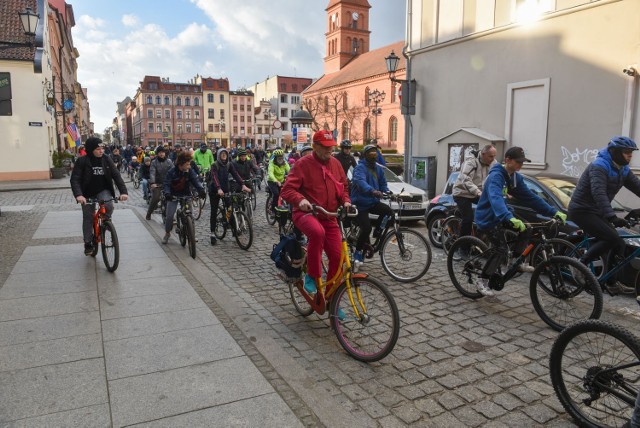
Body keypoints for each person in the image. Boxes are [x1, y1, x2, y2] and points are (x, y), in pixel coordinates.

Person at [473, 146, 567, 296]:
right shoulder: (496, 177)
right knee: (501, 249)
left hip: (503, 214)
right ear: (507, 160)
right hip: (488, 217)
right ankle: (482, 280)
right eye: (518, 162)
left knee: (527, 228)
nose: (521, 165)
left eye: (522, 162)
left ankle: (516, 262)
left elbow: (530, 198)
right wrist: (508, 217)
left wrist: (553, 211)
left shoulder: (515, 178)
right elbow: (496, 199)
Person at [281, 130, 351, 295]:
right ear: (315, 146)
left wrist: (346, 201)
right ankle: (312, 275)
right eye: (325, 147)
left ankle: (331, 299)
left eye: (331, 146)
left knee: (337, 256)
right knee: (317, 232)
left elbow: (344, 187)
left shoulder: (335, 164)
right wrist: (301, 200)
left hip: (329, 216)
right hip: (306, 214)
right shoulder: (303, 164)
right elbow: (287, 189)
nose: (329, 150)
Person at [568, 136, 640, 295]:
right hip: (582, 210)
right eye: (627, 152)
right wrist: (611, 216)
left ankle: (611, 282)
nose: (630, 155)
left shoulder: (623, 169)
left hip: (597, 211)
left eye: (631, 153)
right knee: (611, 238)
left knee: (619, 244)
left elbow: (638, 187)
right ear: (615, 152)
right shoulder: (599, 166)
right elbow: (598, 193)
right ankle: (579, 264)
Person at [70, 137, 128, 255]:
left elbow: (116, 175)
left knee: (109, 205)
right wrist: (79, 195)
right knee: (88, 217)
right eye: (98, 149)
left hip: (103, 189)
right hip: (87, 193)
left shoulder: (107, 159)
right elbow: (75, 179)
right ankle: (88, 243)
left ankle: (106, 222)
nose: (101, 151)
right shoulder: (82, 161)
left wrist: (123, 192)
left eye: (102, 148)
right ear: (91, 150)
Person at [350, 145, 393, 270]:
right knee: (366, 228)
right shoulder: (360, 168)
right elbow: (360, 181)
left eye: (375, 154)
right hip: (360, 203)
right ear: (365, 155)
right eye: (371, 154)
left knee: (388, 212)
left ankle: (378, 231)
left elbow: (383, 182)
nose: (373, 156)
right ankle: (358, 253)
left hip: (372, 202)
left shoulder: (378, 169)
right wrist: (372, 191)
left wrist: (387, 191)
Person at [452, 144, 498, 246]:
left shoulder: (493, 163)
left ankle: (483, 234)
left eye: (494, 156)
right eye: (491, 156)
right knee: (468, 218)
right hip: (462, 193)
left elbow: (497, 177)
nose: (493, 159)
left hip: (478, 193)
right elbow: (466, 179)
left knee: (494, 209)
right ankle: (463, 247)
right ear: (483, 154)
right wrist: (478, 192)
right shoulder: (471, 162)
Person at [161, 152, 206, 244]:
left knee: (190, 215)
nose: (189, 166)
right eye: (187, 164)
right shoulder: (172, 172)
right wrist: (167, 193)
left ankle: (192, 234)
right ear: (181, 165)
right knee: (169, 216)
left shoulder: (189, 171)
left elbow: (195, 180)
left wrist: (201, 190)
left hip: (186, 194)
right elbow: (166, 183)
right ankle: (167, 233)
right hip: (173, 195)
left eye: (189, 164)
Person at [208, 148, 250, 245]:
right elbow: (214, 177)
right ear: (218, 155)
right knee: (214, 211)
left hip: (225, 190)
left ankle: (234, 228)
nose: (224, 155)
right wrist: (218, 188)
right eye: (222, 154)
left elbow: (235, 174)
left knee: (230, 208)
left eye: (225, 154)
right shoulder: (215, 165)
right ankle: (212, 233)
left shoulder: (229, 164)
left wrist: (243, 184)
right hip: (215, 191)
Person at [145, 146, 174, 220]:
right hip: (157, 183)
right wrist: (153, 183)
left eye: (163, 152)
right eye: (160, 153)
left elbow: (173, 171)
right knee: (156, 198)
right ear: (157, 154)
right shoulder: (154, 162)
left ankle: (171, 215)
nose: (161, 154)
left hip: (167, 183)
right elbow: (152, 173)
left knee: (172, 199)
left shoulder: (169, 161)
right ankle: (149, 213)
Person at [267, 149, 291, 213]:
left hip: (282, 180)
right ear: (275, 158)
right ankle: (273, 210)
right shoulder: (272, 162)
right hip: (272, 181)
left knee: (287, 193)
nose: (280, 159)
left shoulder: (284, 163)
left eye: (281, 157)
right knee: (276, 194)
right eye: (278, 158)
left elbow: (289, 171)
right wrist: (276, 180)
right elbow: (270, 173)